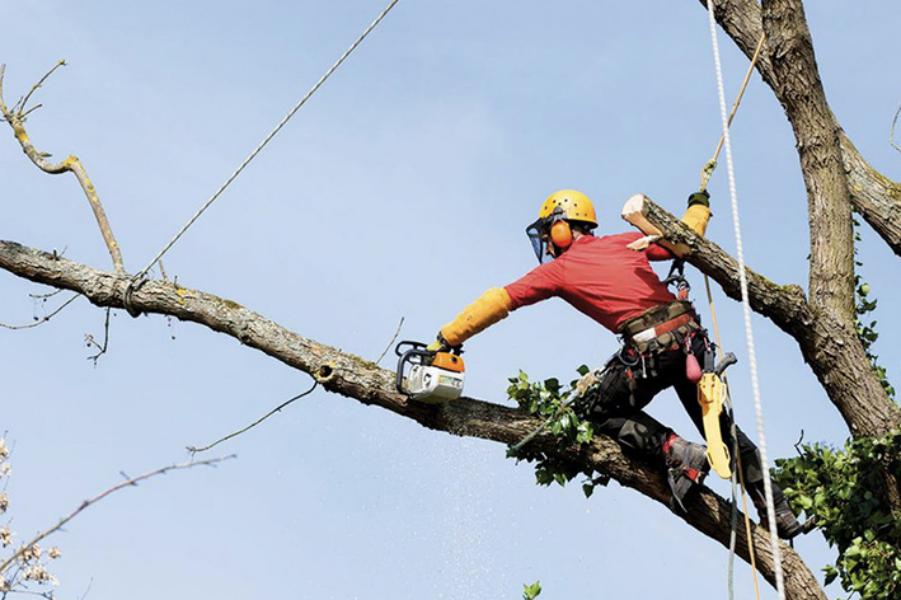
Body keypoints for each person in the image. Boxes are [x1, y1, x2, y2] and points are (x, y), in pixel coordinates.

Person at [429, 189, 802, 538]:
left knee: (596, 410)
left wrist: (448, 337)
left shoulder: (559, 270)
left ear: (561, 227)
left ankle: (674, 450)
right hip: (689, 341)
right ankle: (778, 509)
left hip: (652, 349)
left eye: (548, 233)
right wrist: (699, 204)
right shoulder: (625, 242)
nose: (546, 243)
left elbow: (501, 299)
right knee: (720, 429)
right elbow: (686, 237)